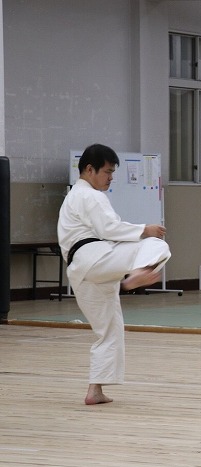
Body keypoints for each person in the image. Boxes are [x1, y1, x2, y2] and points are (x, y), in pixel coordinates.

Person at [58, 143, 171, 405]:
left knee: (108, 331)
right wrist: (144, 229)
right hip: (96, 257)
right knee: (157, 245)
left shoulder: (72, 197)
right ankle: (133, 277)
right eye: (107, 172)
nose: (111, 178)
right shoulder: (90, 195)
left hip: (80, 273)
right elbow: (109, 228)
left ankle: (94, 390)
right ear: (90, 169)